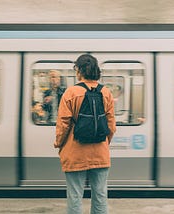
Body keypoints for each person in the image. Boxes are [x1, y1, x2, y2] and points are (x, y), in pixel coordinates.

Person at [54, 54, 116, 214]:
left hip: (75, 153)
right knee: (100, 195)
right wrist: (103, 143)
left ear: (79, 71)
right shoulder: (106, 93)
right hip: (100, 153)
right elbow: (111, 126)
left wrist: (59, 144)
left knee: (75, 196)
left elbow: (63, 125)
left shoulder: (70, 93)